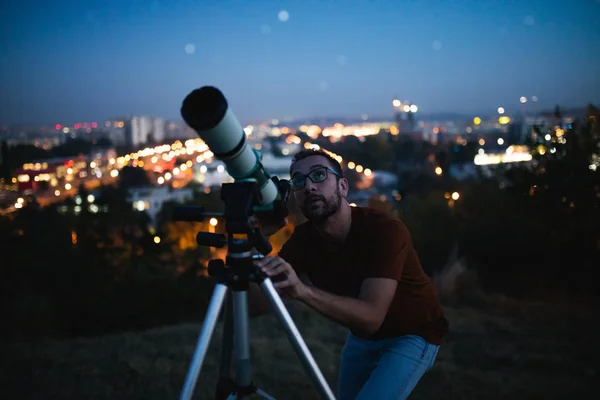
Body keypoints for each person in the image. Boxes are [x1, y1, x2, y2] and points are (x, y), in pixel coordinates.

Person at [252, 148, 449, 400]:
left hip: (412, 333)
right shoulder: (303, 240)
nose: (310, 186)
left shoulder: (385, 231)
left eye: (319, 175)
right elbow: (256, 304)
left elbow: (371, 316)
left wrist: (303, 291)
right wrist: (256, 238)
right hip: (361, 336)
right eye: (299, 181)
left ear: (343, 187)